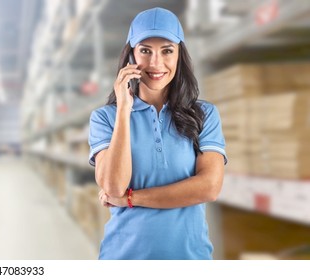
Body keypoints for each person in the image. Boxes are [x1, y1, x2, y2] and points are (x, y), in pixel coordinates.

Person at [88, 7, 227, 260]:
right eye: (145, 50)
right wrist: (123, 110)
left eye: (167, 51)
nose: (155, 63)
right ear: (130, 55)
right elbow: (113, 186)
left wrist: (131, 199)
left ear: (179, 55)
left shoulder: (204, 114)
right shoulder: (104, 118)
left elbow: (209, 187)